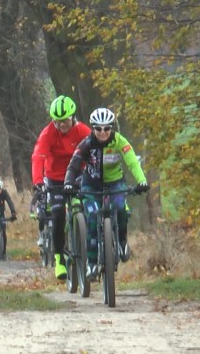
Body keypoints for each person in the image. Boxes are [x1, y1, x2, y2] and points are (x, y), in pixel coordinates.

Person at [63, 107, 149, 279]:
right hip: (90, 184)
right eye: (98, 129)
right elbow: (73, 165)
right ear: (93, 128)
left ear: (112, 128)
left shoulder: (120, 142)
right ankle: (92, 263)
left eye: (107, 128)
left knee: (120, 209)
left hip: (115, 182)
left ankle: (122, 242)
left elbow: (132, 162)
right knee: (93, 216)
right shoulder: (86, 144)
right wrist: (68, 183)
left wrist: (142, 180)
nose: (103, 132)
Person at [30, 95, 91, 280]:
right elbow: (38, 156)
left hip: (79, 176)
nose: (62, 125)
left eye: (65, 120)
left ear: (72, 117)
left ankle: (91, 249)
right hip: (55, 178)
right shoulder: (48, 133)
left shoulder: (82, 131)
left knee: (89, 207)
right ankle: (59, 259)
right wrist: (38, 181)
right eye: (58, 121)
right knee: (57, 215)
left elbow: (95, 150)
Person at [0, 179, 17, 258]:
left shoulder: (4, 192)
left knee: (3, 231)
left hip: (1, 213)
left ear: (2, 189)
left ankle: (4, 252)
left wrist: (13, 212)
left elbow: (9, 201)